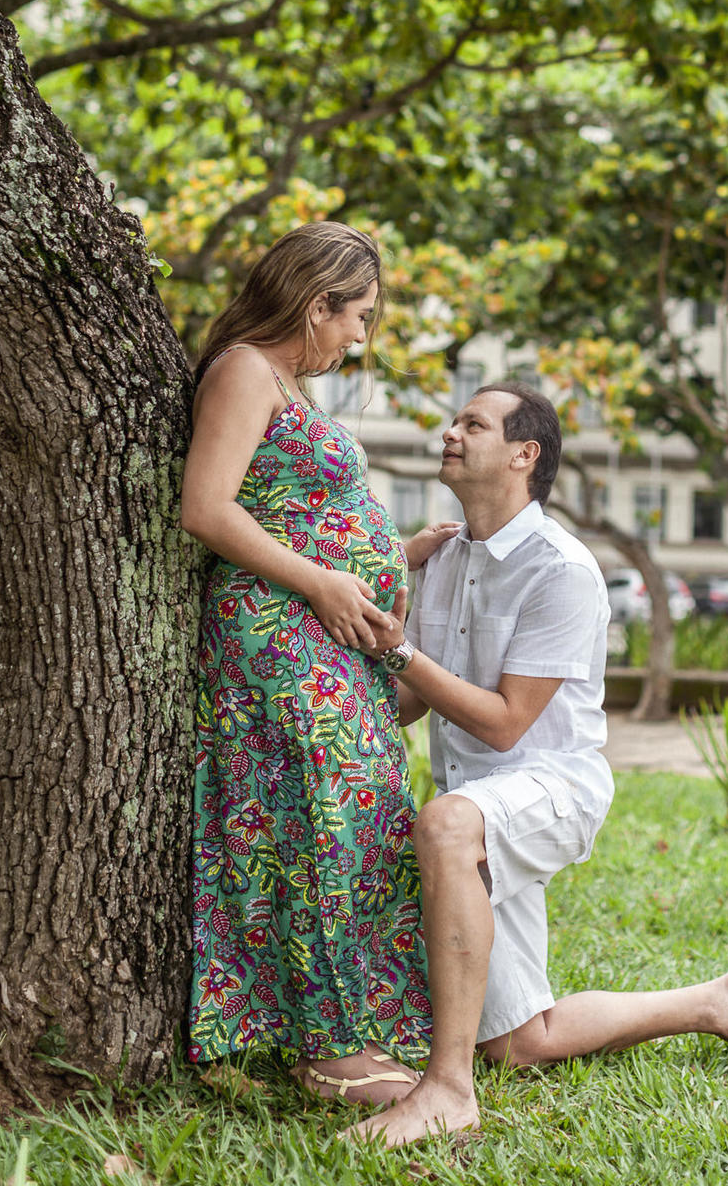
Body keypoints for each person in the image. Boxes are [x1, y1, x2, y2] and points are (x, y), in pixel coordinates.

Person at [350, 382, 728, 1148]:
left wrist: (398, 649)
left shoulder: (563, 569)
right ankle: (715, 1002)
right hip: (477, 802)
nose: (450, 433)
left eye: (472, 424)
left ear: (524, 455)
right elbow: (417, 700)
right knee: (523, 1043)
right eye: (455, 421)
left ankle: (447, 1090)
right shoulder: (447, 557)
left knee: (446, 825)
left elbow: (506, 720)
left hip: (554, 789)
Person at [181, 222, 456, 1107]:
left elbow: (298, 506)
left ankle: (349, 1027)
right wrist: (328, 581)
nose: (360, 339)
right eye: (359, 317)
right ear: (315, 302)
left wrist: (394, 554)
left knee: (357, 822)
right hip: (278, 631)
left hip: (324, 629)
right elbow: (208, 508)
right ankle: (326, 1047)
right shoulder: (243, 371)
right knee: (319, 820)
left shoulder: (287, 381)